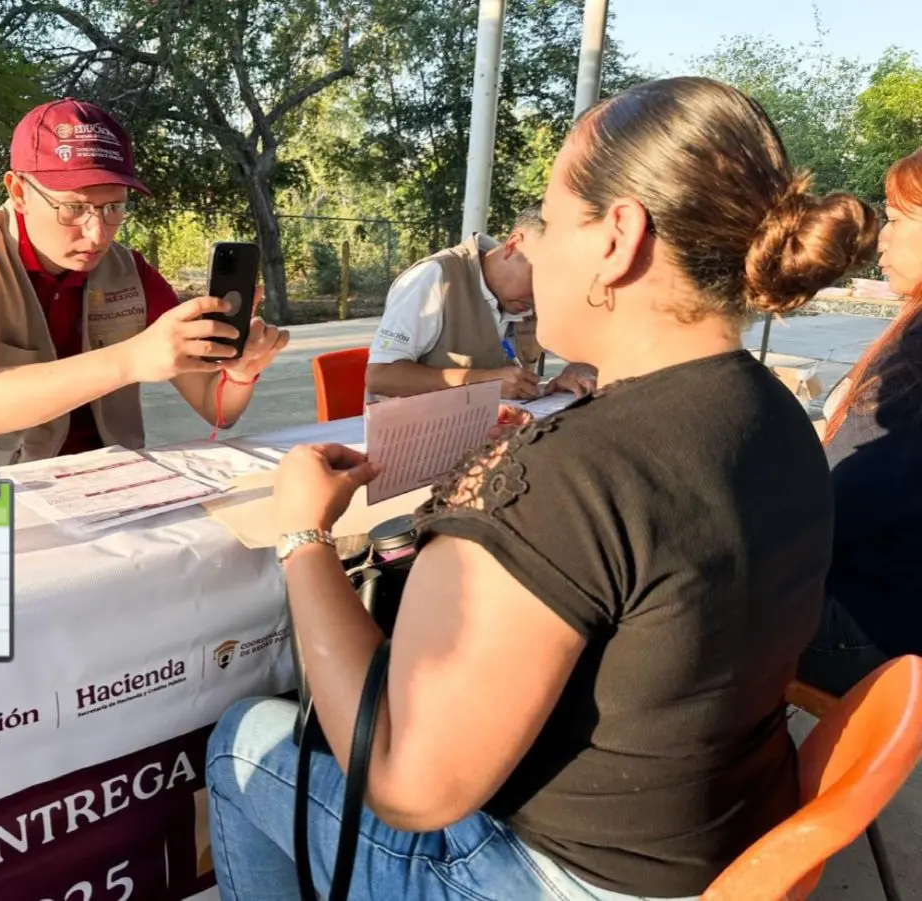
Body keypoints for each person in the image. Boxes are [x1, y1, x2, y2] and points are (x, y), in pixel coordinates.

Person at [203, 76, 879, 901]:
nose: (538, 248)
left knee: (245, 740)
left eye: (553, 223)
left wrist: (302, 537)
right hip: (711, 851)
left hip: (559, 878)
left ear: (618, 237)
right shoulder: (773, 410)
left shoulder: (574, 473)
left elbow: (407, 782)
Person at [0, 98, 288, 477]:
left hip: (105, 487)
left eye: (113, 208)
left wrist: (240, 374)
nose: (97, 234)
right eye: (73, 208)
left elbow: (214, 407)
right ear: (19, 192)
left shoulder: (130, 271)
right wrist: (132, 358)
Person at [796, 147, 922, 697]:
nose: (883, 239)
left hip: (877, 636)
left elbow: (827, 510)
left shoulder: (914, 364)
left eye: (897, 220)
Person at [364, 210, 598, 401]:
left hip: (498, 436)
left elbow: (588, 346)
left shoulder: (534, 296)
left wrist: (573, 373)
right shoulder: (436, 277)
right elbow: (381, 377)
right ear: (514, 246)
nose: (543, 295)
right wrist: (486, 382)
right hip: (416, 441)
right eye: (544, 276)